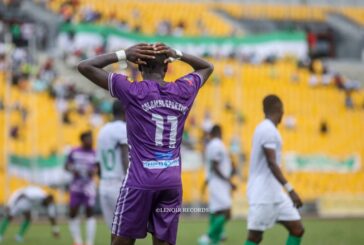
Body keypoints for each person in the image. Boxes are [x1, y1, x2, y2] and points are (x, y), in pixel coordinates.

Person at [77, 43, 213, 245]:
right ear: (166, 67)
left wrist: (123, 54)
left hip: (140, 180)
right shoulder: (183, 90)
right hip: (171, 181)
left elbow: (85, 67)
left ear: (139, 67)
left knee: (120, 241)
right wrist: (177, 54)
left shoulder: (132, 90)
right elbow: (207, 67)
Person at [245, 95, 304, 245]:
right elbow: (271, 163)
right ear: (279, 110)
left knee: (297, 229)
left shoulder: (267, 129)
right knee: (255, 237)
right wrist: (290, 189)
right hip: (262, 194)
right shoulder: (267, 130)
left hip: (275, 193)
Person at [199, 125, 235, 245]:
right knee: (227, 212)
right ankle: (208, 236)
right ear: (219, 132)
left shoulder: (212, 145)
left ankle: (215, 239)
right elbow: (215, 166)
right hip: (219, 183)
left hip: (215, 182)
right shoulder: (216, 145)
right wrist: (228, 181)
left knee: (216, 212)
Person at [96, 100, 128, 230]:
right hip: (119, 184)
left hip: (104, 184)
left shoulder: (102, 130)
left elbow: (98, 164)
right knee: (124, 233)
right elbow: (124, 156)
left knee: (114, 231)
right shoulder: (123, 128)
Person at [65, 131, 97, 245]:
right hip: (76, 186)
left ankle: (89, 242)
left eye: (92, 139)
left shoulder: (95, 153)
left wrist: (94, 171)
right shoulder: (74, 152)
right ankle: (77, 241)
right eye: (89, 139)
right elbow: (66, 166)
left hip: (89, 187)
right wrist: (73, 170)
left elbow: (98, 168)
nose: (91, 141)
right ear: (82, 140)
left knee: (89, 212)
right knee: (73, 212)